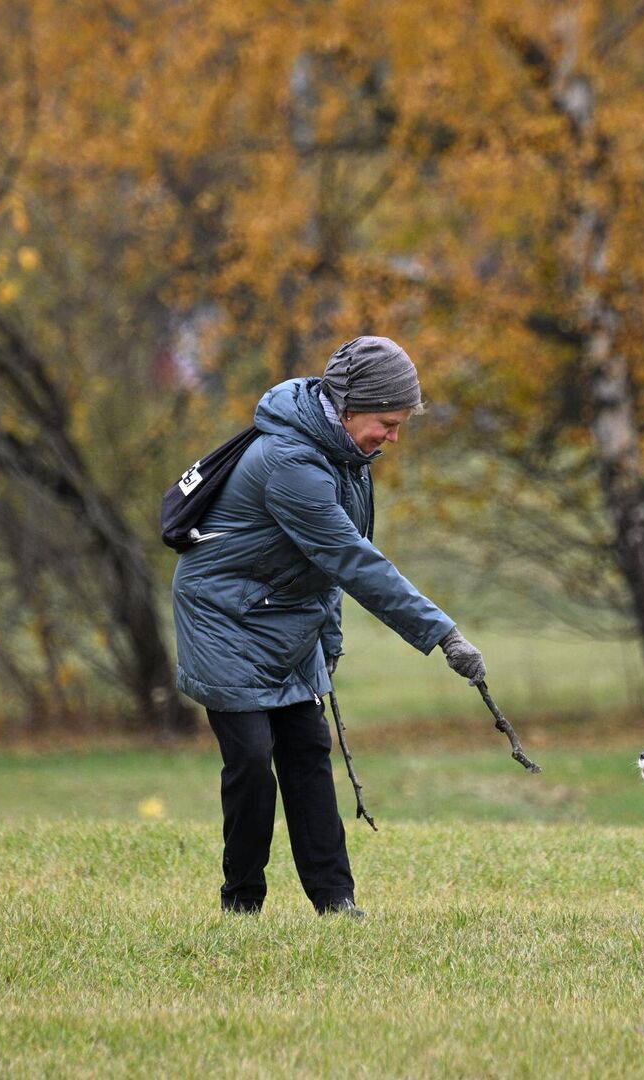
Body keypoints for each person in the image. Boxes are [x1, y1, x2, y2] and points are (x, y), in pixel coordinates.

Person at [171, 335, 488, 917]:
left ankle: (336, 905)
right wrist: (443, 633)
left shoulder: (349, 459)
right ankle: (241, 904)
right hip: (225, 618)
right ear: (347, 406)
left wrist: (330, 643)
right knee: (251, 760)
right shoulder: (290, 463)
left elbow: (328, 564)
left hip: (288, 616)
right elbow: (352, 559)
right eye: (387, 422)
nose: (393, 437)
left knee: (309, 750)